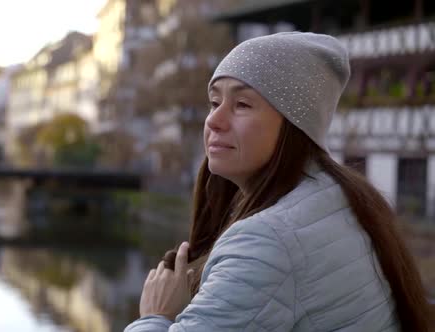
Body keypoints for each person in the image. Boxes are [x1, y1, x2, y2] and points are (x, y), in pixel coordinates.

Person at [124, 31, 430, 331]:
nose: (214, 121)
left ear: (295, 126)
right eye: (214, 102)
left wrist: (155, 316)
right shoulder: (343, 197)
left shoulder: (269, 240)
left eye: (241, 105)